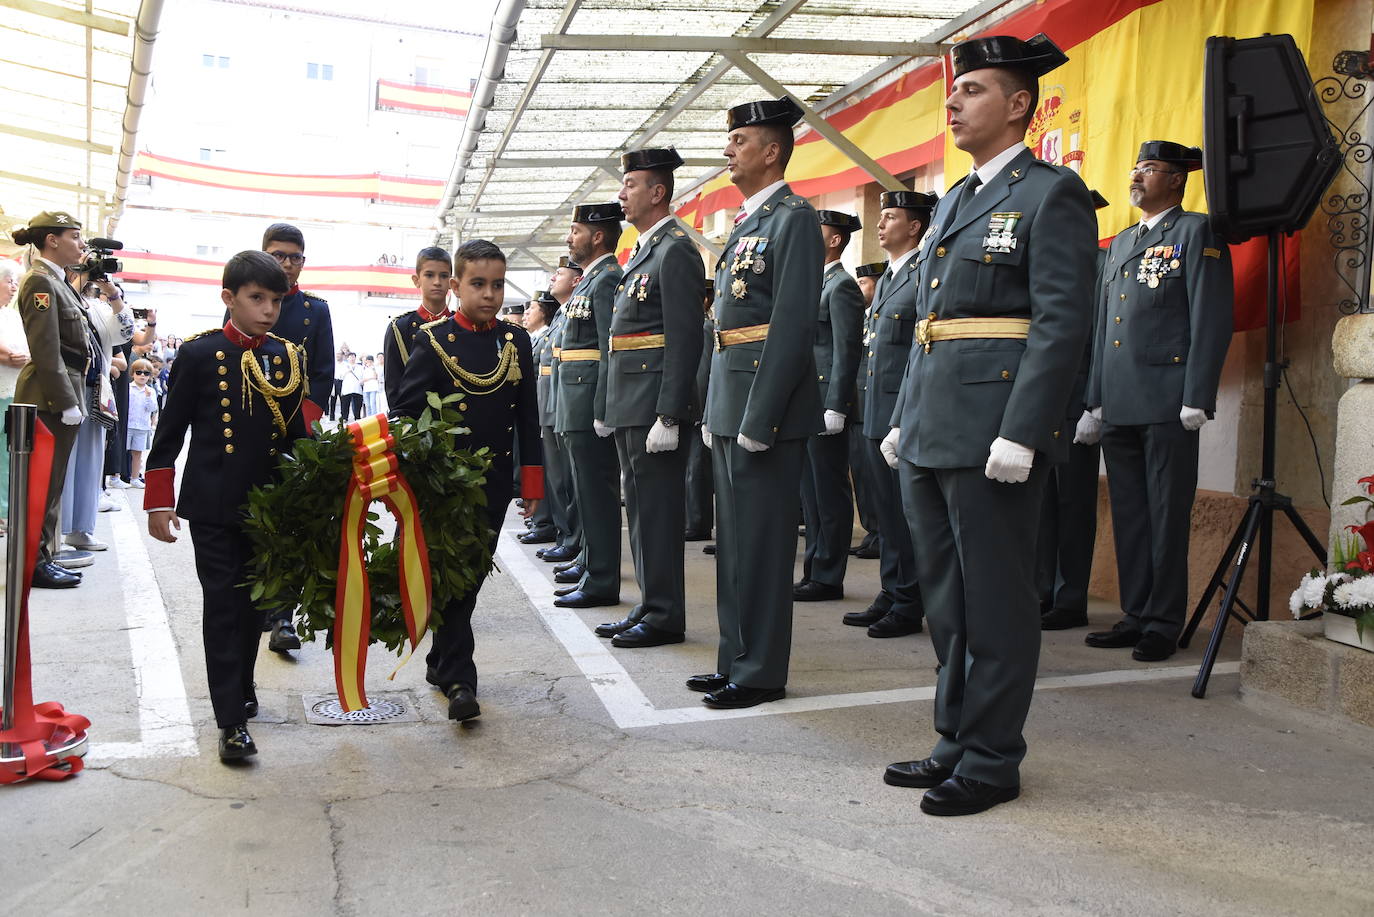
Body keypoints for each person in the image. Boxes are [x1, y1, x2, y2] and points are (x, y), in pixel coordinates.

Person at [882, 33, 1096, 815]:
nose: (954, 101)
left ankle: (994, 756)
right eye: (954, 89)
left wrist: (1024, 428)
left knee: (998, 600)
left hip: (994, 429)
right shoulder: (959, 200)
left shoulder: (1051, 194)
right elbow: (930, 322)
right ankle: (955, 737)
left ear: (1016, 105)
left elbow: (1062, 321)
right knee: (946, 597)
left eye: (971, 89)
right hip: (934, 425)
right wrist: (905, 415)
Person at [144, 250, 311, 761]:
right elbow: (168, 434)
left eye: (275, 300)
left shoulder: (286, 356)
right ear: (228, 298)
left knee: (254, 606)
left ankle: (241, 685)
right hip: (214, 504)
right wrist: (157, 502)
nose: (267, 310)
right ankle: (231, 722)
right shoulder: (199, 354)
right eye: (256, 298)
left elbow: (298, 437)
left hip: (266, 504)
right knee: (223, 607)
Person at [1078, 142, 1234, 661]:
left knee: (1167, 514)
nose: (1137, 176)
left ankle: (1163, 622)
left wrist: (1198, 394)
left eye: (1148, 169)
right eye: (1136, 168)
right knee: (1130, 515)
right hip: (1119, 401)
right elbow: (1103, 328)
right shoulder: (1121, 242)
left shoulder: (1195, 231)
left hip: (1169, 400)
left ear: (1176, 180)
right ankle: (1136, 612)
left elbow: (1209, 317)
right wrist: (1094, 398)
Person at [694, 96, 824, 708]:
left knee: (765, 547)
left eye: (740, 141)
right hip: (730, 399)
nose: (729, 149)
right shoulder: (747, 223)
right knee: (736, 544)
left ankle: (761, 670)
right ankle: (734, 658)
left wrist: (761, 414)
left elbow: (793, 324)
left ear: (771, 151)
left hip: (761, 409)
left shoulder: (793, 217)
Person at [392, 240, 542, 721]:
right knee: (454, 578)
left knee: (471, 576)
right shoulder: (433, 341)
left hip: (494, 481)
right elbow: (406, 412)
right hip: (447, 484)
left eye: (498, 284)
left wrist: (532, 484)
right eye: (478, 284)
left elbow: (528, 418)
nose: (490, 294)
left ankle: (441, 660)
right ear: (456, 287)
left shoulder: (516, 342)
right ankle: (460, 678)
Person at [593, 146, 704, 649]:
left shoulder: (675, 249)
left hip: (653, 403)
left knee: (658, 513)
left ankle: (664, 614)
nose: (622, 193)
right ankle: (649, 602)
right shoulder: (643, 251)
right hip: (630, 400)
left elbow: (684, 335)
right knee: (639, 510)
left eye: (631, 184)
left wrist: (671, 412)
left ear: (657, 192)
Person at [851, 189, 938, 637]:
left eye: (890, 217)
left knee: (905, 515)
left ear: (915, 226)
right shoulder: (888, 277)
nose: (880, 224)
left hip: (900, 411)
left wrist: (902, 416)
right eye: (880, 216)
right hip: (874, 407)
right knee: (884, 512)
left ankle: (909, 601)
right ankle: (891, 589)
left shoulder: (923, 272)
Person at [1037, 189, 1111, 630]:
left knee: (1074, 505)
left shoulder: (1104, 267)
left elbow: (1102, 341)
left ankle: (1070, 597)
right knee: (1041, 506)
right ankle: (1042, 589)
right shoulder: (1050, 266)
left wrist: (1094, 405)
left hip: (1078, 405)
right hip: (1044, 404)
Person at [10, 211, 92, 589]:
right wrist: (65, 401)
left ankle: (44, 554)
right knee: (41, 484)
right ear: (51, 240)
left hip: (59, 393)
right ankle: (35, 562)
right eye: (74, 236)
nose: (81, 244)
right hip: (48, 398)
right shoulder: (40, 282)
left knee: (52, 483)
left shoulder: (58, 281)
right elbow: (46, 349)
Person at [552, 202, 625, 609]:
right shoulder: (590, 280)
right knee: (584, 490)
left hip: (588, 399)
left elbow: (608, 348)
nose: (569, 238)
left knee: (597, 493)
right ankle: (590, 564)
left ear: (598, 235)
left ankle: (601, 580)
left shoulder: (608, 279)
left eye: (576, 230)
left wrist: (602, 408)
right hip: (572, 398)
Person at [795, 211, 863, 603]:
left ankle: (828, 575)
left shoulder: (841, 287)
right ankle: (813, 570)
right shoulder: (813, 284)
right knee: (811, 495)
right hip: (808, 404)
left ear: (834, 240)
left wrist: (837, 404)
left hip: (826, 406)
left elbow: (846, 351)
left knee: (830, 493)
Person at [61, 275, 133, 553]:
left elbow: (124, 332)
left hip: (94, 389)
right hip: (64, 386)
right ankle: (55, 530)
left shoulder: (100, 308)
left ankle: (81, 528)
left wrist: (112, 291)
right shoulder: (58, 292)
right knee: (62, 463)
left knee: (91, 461)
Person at [534, 258, 583, 565]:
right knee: (558, 479)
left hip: (564, 405)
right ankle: (567, 538)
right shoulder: (561, 318)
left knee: (569, 482)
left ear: (576, 281)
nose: (554, 277)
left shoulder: (572, 314)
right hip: (553, 406)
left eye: (560, 274)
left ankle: (573, 541)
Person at [259, 224, 334, 417]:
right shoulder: (244, 302)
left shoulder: (317, 310)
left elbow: (323, 373)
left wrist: (305, 424)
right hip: (252, 410)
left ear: (303, 261)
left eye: (295, 257)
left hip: (297, 415)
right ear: (263, 256)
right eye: (278, 256)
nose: (287, 264)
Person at [522, 292, 572, 549]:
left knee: (561, 478)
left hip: (555, 407)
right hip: (546, 407)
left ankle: (562, 533)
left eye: (532, 308)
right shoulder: (550, 331)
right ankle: (552, 528)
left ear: (544, 311)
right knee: (553, 476)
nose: (526, 313)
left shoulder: (551, 330)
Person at [847, 261, 885, 560]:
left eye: (865, 283)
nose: (861, 289)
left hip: (876, 404)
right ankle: (873, 531)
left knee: (877, 477)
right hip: (858, 405)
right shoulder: (863, 318)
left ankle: (883, 532)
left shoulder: (880, 316)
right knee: (861, 473)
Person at [382, 247, 452, 408]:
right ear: (416, 280)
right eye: (429, 275)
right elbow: (393, 386)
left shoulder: (457, 323)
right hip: (415, 420)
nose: (437, 282)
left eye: (443, 276)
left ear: (451, 282)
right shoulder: (399, 328)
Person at [0, 259, 31, 534]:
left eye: (15, 283)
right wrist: (7, 355)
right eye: (9, 281)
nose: (13, 288)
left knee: (8, 454)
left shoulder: (11, 316)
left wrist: (18, 357)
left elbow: (25, 350)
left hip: (13, 392)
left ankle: (4, 512)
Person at [684, 279, 715, 543]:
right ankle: (692, 518)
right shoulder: (694, 326)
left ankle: (698, 521)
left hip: (698, 407)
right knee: (690, 468)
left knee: (697, 469)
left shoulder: (704, 327)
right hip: (690, 405)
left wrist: (700, 409)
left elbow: (703, 372)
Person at [126, 357, 158, 484]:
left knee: (138, 453)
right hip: (128, 424)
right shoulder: (128, 388)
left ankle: (134, 477)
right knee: (124, 451)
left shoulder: (151, 391)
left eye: (146, 373)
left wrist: (148, 397)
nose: (142, 375)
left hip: (142, 426)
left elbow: (153, 408)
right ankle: (117, 475)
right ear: (133, 373)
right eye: (139, 372)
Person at [338, 352, 364, 421]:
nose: (352, 358)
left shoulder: (360, 367)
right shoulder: (344, 366)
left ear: (355, 358)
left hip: (357, 388)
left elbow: (363, 376)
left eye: (353, 357)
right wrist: (347, 372)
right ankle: (344, 418)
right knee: (345, 404)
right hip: (347, 388)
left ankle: (357, 417)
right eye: (350, 357)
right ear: (348, 358)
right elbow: (340, 376)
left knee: (358, 404)